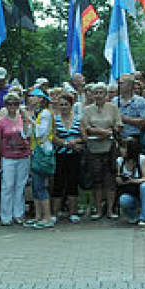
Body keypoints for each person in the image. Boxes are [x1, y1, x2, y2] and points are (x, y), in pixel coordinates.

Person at [80, 83, 121, 219]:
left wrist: (109, 132)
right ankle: (98, 210)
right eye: (95, 92)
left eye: (101, 92)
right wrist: (102, 132)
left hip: (109, 148)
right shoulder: (87, 109)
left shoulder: (113, 108)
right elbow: (86, 127)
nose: (98, 95)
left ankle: (110, 210)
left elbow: (118, 125)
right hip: (93, 149)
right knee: (96, 181)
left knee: (110, 180)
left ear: (105, 94)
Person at [0, 93, 30, 226]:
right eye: (9, 104)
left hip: (24, 156)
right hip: (8, 157)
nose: (12, 106)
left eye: (15, 104)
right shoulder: (0, 122)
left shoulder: (23, 118)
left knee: (20, 186)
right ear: (5, 105)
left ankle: (18, 214)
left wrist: (25, 119)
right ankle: (6, 215)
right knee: (7, 186)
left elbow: (28, 134)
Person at [25, 90, 55, 229]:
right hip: (35, 151)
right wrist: (27, 120)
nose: (30, 99)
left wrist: (29, 119)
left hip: (43, 153)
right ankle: (38, 215)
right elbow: (26, 133)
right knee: (36, 186)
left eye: (33, 96)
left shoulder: (46, 114)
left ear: (41, 99)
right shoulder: (36, 113)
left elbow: (41, 132)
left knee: (41, 185)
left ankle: (47, 216)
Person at [52, 93, 83, 223]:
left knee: (73, 183)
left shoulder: (78, 119)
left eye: (66, 104)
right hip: (60, 154)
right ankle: (55, 213)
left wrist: (76, 142)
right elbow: (52, 137)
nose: (64, 107)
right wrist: (66, 143)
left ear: (71, 105)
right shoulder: (55, 119)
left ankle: (73, 212)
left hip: (75, 155)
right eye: (61, 105)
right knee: (58, 183)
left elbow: (84, 137)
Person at [114, 136, 145, 226]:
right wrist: (121, 179)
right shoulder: (119, 161)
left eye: (124, 148)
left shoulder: (142, 159)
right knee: (123, 200)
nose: (121, 150)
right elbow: (118, 179)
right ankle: (132, 215)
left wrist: (132, 180)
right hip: (129, 192)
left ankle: (144, 217)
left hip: (144, 192)